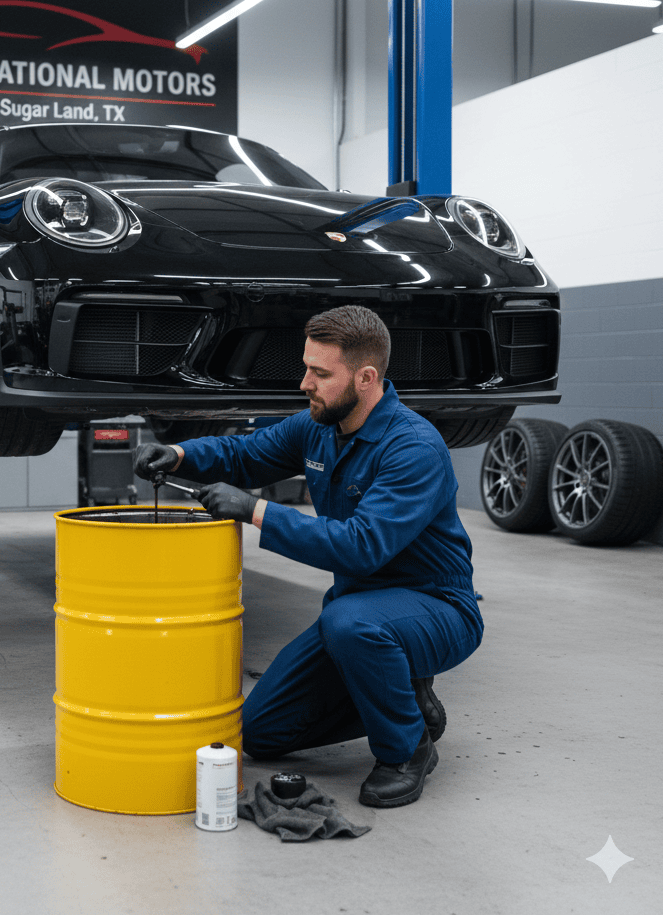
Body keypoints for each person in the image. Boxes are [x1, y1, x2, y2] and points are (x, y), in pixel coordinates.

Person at [132, 305, 484, 808]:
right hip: (359, 611)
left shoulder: (414, 448)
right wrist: (183, 455)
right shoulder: (318, 426)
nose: (305, 383)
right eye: (306, 368)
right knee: (259, 733)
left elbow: (362, 546)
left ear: (365, 378)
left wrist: (256, 512)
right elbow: (247, 454)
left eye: (320, 373)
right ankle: (403, 695)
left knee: (351, 623)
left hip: (436, 607)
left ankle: (407, 748)